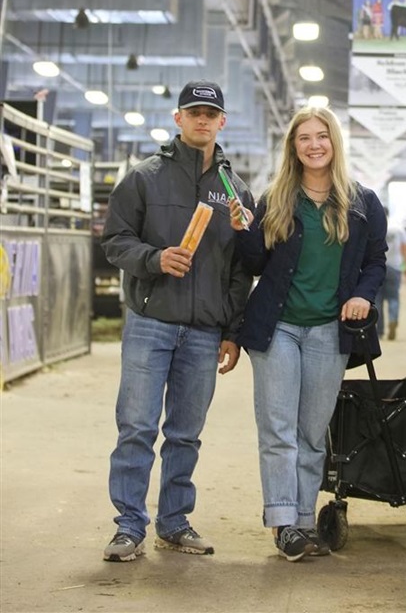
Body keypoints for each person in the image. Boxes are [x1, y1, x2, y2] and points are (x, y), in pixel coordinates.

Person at [100, 80, 255, 562]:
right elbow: (114, 241)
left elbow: (241, 270)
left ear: (222, 121)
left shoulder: (237, 192)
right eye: (194, 111)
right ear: (178, 119)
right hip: (152, 320)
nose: (202, 119)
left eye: (211, 113)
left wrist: (232, 332)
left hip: (205, 331)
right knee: (137, 427)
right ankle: (129, 526)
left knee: (186, 432)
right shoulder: (144, 177)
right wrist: (153, 258)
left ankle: (173, 521)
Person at [229, 105, 387, 562]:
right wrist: (243, 231)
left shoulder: (362, 203)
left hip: (329, 331)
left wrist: (363, 295)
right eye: (304, 138)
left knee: (313, 433)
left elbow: (376, 261)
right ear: (293, 147)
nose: (314, 144)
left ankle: (301, 519)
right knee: (279, 429)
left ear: (334, 143)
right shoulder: (276, 198)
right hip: (277, 327)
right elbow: (255, 263)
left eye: (322, 136)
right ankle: (283, 524)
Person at [375, 207, 406, 340]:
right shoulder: (398, 229)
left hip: (377, 267)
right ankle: (393, 320)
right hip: (395, 267)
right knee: (393, 298)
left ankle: (379, 331)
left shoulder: (375, 226)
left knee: (377, 299)